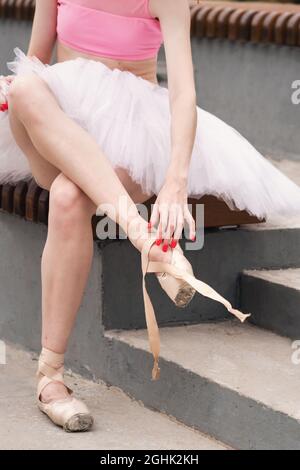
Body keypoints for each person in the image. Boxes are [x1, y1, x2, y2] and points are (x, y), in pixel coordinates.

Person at [0, 0, 299, 432]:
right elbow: (34, 63)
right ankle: (146, 238)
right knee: (26, 89)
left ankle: (50, 376)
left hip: (130, 132)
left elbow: (183, 93)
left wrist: (175, 182)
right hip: (57, 124)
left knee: (68, 197)